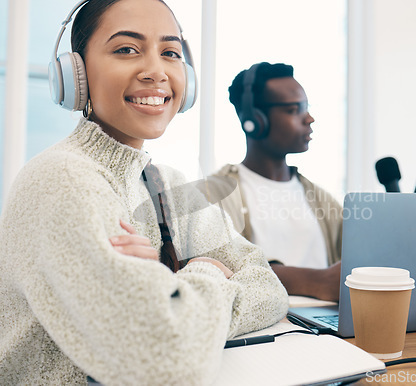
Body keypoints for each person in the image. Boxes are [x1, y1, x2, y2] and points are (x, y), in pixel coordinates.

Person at [0, 2, 288, 385]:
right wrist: (207, 271)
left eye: (170, 53)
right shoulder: (61, 181)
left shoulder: (169, 184)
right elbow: (167, 361)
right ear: (76, 74)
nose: (156, 71)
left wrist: (173, 297)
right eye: (126, 49)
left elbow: (269, 287)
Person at [211, 62, 343, 302]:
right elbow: (219, 269)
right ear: (254, 120)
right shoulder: (215, 195)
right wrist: (318, 281)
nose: (309, 118)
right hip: (263, 328)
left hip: (329, 326)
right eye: (294, 110)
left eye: (307, 108)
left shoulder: (320, 198)